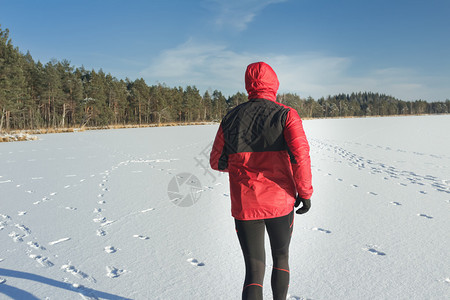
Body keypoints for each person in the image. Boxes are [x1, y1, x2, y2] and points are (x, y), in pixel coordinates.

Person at [210, 61, 313, 300]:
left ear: (248, 85)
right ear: (274, 83)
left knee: (254, 271)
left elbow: (217, 161)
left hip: (245, 205)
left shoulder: (231, 118)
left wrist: (242, 168)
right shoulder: (286, 114)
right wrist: (305, 193)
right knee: (281, 258)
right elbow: (301, 156)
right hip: (280, 202)